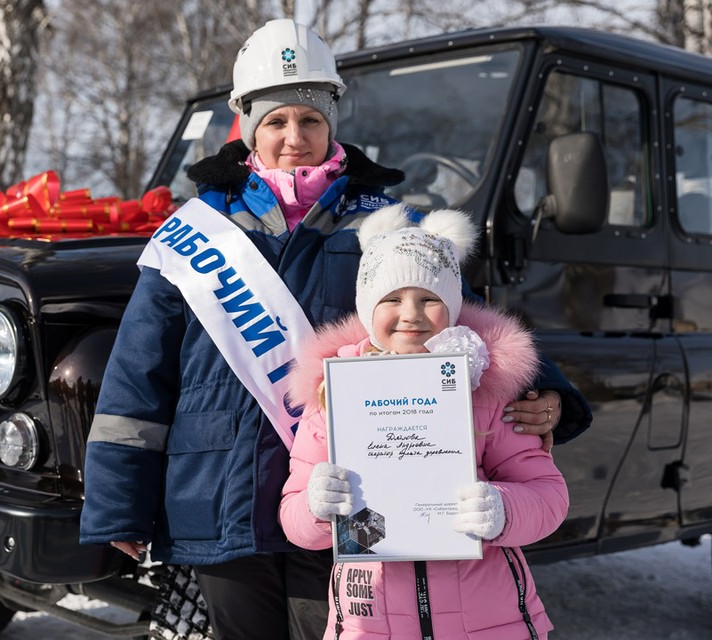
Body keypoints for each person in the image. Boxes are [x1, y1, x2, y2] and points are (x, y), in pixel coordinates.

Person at [80, 18, 584, 640]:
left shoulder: (385, 221)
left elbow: (460, 310)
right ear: (247, 126)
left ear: (332, 121)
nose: (295, 137)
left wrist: (550, 392)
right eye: (276, 121)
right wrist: (119, 503)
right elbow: (136, 376)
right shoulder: (191, 235)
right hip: (217, 492)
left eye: (310, 120)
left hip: (352, 494)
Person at [279, 203, 569, 639]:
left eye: (429, 299)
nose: (410, 314)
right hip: (371, 622)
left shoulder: (485, 387)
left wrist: (503, 509)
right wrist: (319, 508)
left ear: (452, 307)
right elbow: (295, 517)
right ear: (365, 307)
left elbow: (548, 495)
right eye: (392, 299)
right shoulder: (333, 393)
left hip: (487, 622)